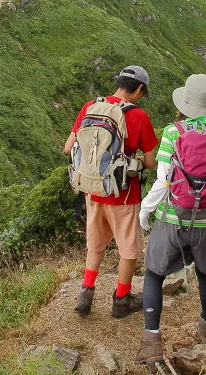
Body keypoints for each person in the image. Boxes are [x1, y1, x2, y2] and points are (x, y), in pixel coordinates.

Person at [136, 73, 206, 364]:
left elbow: (163, 180)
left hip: (172, 218)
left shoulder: (173, 132)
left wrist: (146, 210)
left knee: (154, 274)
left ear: (186, 103)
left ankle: (152, 343)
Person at [64, 65, 158, 318]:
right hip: (123, 194)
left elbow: (68, 148)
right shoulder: (139, 117)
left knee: (95, 245)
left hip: (92, 190)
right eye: (142, 93)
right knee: (128, 249)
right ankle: (121, 300)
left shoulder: (90, 107)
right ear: (139, 89)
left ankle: (85, 295)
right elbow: (150, 163)